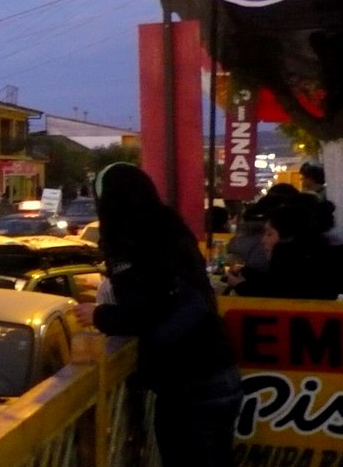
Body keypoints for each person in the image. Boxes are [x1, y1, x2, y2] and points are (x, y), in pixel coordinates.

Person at [72, 162, 241, 467]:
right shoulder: (169, 225)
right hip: (219, 369)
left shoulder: (130, 241)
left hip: (187, 383)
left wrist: (100, 315)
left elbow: (146, 312)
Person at [226, 192, 339, 300]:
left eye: (269, 234)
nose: (263, 240)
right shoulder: (318, 256)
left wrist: (240, 285)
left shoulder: (291, 262)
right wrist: (246, 271)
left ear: (289, 236)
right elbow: (275, 283)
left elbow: (278, 294)